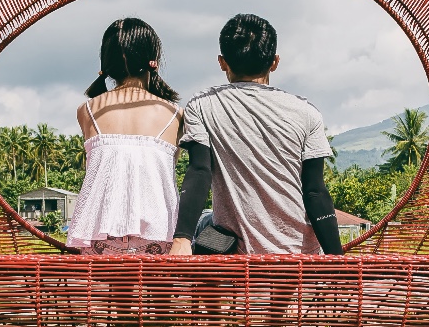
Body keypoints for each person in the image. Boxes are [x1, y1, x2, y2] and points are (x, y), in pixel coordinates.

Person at [172, 13, 343, 256]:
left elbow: (200, 171)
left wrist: (182, 239)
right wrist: (337, 259)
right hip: (296, 250)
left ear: (222, 62)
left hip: (236, 248)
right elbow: (315, 191)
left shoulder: (202, 106)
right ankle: (282, 294)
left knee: (204, 221)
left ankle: (208, 294)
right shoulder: (306, 112)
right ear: (275, 62)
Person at [65, 18, 183, 254]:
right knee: (157, 292)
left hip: (99, 232)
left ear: (106, 61)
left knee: (111, 293)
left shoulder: (87, 111)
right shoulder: (174, 114)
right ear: (153, 61)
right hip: (158, 230)